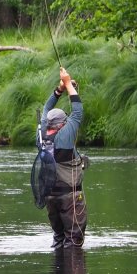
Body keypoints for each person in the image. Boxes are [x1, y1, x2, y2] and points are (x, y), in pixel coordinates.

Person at [35, 67, 88, 250]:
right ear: (62, 125)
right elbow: (78, 111)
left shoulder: (41, 135)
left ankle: (57, 268)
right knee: (74, 242)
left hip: (51, 198)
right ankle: (71, 269)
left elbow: (46, 109)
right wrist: (68, 85)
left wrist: (59, 90)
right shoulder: (64, 136)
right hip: (70, 198)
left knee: (59, 239)